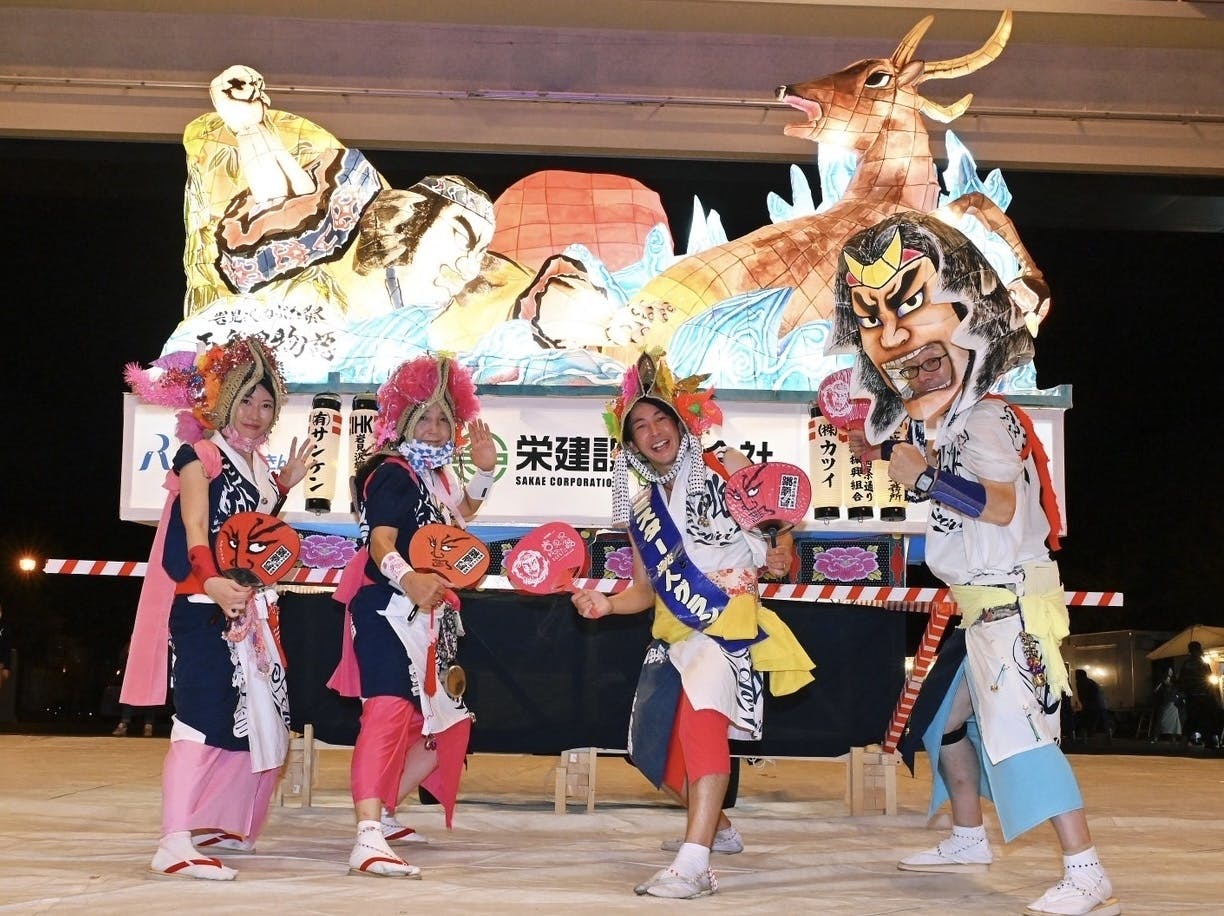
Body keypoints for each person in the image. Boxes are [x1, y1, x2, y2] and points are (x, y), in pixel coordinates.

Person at [831, 212, 1120, 916]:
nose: (917, 369)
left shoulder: (987, 418)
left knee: (1025, 739)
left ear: (970, 345)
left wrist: (926, 478)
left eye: (932, 359)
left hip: (1009, 609)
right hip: (982, 611)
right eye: (910, 366)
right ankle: (967, 836)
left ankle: (1086, 871)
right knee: (943, 725)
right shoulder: (952, 425)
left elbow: (997, 506)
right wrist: (895, 457)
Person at [570, 350, 815, 899]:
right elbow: (642, 591)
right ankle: (717, 829)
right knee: (652, 751)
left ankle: (695, 863)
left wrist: (781, 549)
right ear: (630, 443)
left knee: (703, 729)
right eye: (639, 426)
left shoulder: (724, 463)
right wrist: (605, 605)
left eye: (661, 418)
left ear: (682, 420)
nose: (653, 431)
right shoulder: (642, 508)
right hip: (672, 630)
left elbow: (775, 524)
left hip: (725, 620)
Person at [122, 336, 311, 880]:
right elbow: (196, 526)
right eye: (246, 400)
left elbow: (251, 535)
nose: (256, 413)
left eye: (266, 403)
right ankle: (173, 841)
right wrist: (212, 584)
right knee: (201, 718)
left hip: (246, 611)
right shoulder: (199, 453)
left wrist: (281, 490)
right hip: (203, 605)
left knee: (247, 718)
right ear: (224, 401)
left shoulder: (257, 465)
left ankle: (212, 824)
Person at [327, 354, 497, 877]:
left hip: (428, 618)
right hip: (386, 608)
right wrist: (409, 580)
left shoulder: (435, 477)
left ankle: (384, 810)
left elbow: (458, 518)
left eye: (444, 418)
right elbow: (381, 542)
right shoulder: (392, 472)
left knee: (443, 726)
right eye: (425, 417)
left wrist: (484, 471)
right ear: (403, 420)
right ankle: (367, 835)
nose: (435, 427)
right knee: (387, 712)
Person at [1179, 640, 1221, 748]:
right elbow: (1209, 679)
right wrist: (1213, 694)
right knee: (1206, 718)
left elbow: (1182, 681)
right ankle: (1209, 740)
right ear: (1198, 650)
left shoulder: (1186, 664)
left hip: (1192, 696)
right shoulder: (1203, 664)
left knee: (1193, 718)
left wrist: (1184, 692)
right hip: (1204, 695)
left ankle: (1188, 739)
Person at [1072, 669, 1112, 745]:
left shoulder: (1082, 682)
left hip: (1092, 706)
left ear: (1079, 676)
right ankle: (1108, 738)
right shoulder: (1091, 681)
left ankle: (1085, 740)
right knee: (1103, 724)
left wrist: (1081, 706)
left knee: (1084, 722)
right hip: (1101, 705)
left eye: (1076, 675)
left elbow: (1082, 695)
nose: (1075, 677)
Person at [1151, 667, 1183, 744]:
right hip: (1164, 704)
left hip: (1173, 703)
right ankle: (1156, 737)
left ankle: (1173, 737)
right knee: (1161, 720)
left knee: (1174, 719)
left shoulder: (1174, 682)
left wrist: (1177, 697)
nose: (1170, 673)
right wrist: (1162, 682)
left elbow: (1177, 691)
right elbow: (1156, 691)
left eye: (1171, 671)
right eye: (1169, 671)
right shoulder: (1161, 681)